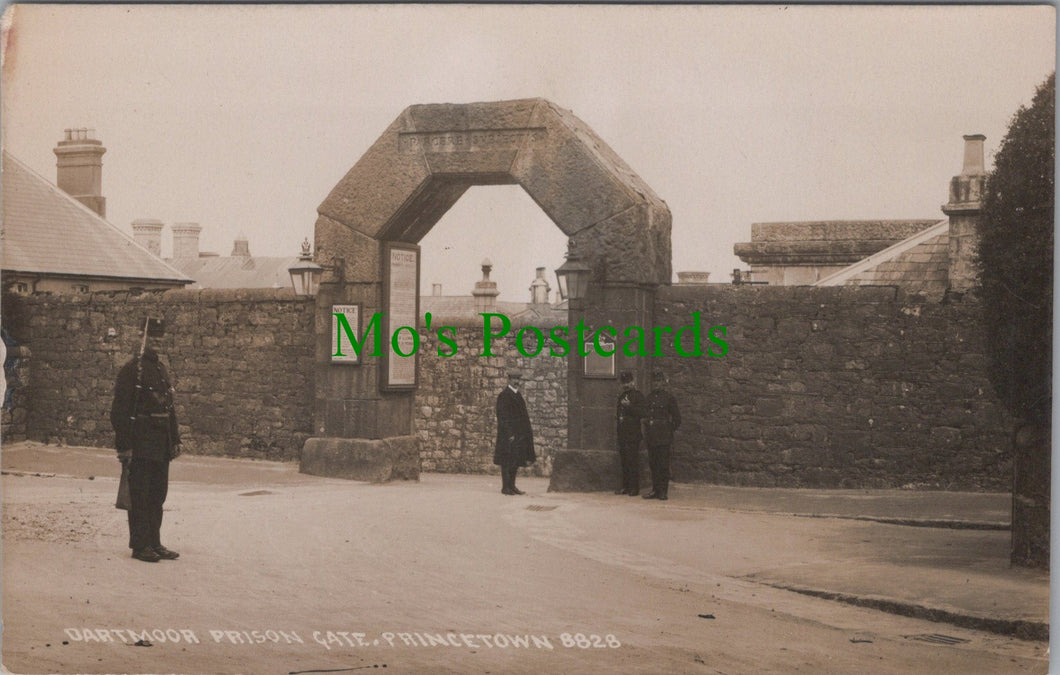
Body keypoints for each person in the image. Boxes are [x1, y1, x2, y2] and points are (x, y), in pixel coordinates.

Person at [110, 317, 182, 562]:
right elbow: (119, 412)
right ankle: (140, 546)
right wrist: (124, 447)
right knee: (140, 495)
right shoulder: (132, 370)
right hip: (140, 443)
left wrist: (175, 439)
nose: (157, 341)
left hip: (160, 444)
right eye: (152, 337)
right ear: (141, 337)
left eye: (160, 337)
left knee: (157, 495)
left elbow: (169, 408)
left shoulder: (160, 369)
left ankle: (155, 542)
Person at [494, 371, 536, 495]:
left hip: (519, 434)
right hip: (508, 435)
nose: (517, 382)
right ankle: (505, 487)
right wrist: (509, 433)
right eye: (514, 379)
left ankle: (512, 486)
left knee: (515, 461)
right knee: (506, 461)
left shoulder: (518, 395)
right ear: (509, 380)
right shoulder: (504, 395)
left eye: (518, 379)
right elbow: (502, 417)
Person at [643, 369, 680, 501]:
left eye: (658, 381)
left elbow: (677, 419)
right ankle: (655, 489)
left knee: (663, 464)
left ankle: (663, 491)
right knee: (653, 464)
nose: (656, 384)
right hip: (652, 436)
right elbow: (646, 416)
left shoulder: (669, 398)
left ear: (663, 382)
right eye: (654, 381)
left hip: (664, 437)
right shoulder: (649, 398)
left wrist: (668, 430)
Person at [615, 370, 647, 496]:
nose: (626, 385)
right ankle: (626, 486)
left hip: (633, 434)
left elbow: (643, 413)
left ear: (633, 382)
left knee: (632, 461)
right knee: (624, 462)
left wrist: (629, 406)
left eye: (628, 382)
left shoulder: (638, 396)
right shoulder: (621, 397)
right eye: (624, 383)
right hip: (623, 434)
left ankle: (634, 488)